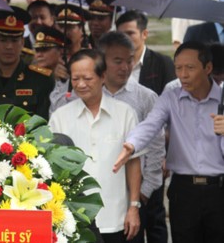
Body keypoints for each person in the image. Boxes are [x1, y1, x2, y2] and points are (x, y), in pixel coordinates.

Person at [113, 41, 224, 243]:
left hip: (219, 190)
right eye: (178, 68)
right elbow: (151, 123)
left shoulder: (222, 99)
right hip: (184, 190)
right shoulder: (171, 95)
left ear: (207, 68)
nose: (183, 74)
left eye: (190, 68)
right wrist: (132, 144)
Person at [49, 49, 141, 242]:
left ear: (103, 76)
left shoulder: (125, 113)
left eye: (87, 78)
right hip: (75, 219)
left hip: (116, 216)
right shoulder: (60, 117)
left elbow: (133, 163)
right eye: (75, 79)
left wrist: (134, 206)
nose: (81, 84)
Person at [98, 32, 166, 243]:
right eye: (117, 61)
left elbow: (156, 149)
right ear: (101, 62)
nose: (125, 67)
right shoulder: (89, 94)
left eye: (130, 60)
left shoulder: (145, 97)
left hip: (134, 196)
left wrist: (143, 195)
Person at [0, 8, 54, 120]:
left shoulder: (41, 79)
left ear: (22, 42)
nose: (9, 46)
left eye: (14, 40)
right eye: (3, 40)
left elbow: (43, 122)